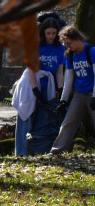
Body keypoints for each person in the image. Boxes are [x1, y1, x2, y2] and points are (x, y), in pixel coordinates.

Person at [12, 18, 66, 155]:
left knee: (44, 118)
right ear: (43, 33)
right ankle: (21, 152)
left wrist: (61, 89)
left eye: (54, 33)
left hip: (48, 85)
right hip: (31, 83)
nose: (51, 36)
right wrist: (35, 89)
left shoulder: (61, 48)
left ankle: (38, 150)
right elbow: (30, 69)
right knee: (26, 116)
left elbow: (59, 72)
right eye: (48, 33)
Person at [50, 25, 95, 156]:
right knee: (68, 122)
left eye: (69, 43)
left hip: (92, 93)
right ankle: (56, 151)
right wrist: (63, 100)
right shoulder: (70, 55)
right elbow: (68, 79)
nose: (68, 47)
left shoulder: (91, 52)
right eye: (65, 44)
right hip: (79, 94)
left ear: (77, 38)